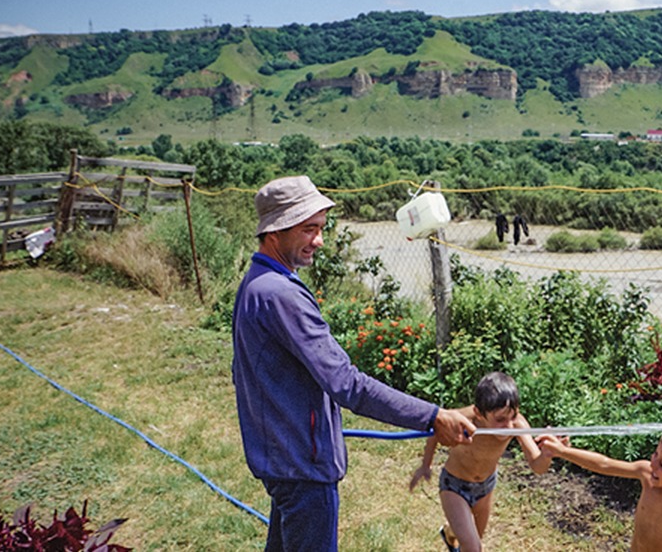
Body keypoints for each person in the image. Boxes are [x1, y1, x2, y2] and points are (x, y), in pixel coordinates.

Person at [232, 175, 476, 552]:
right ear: (274, 232)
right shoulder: (281, 295)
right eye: (309, 229)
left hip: (283, 460)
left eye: (321, 229)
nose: (319, 241)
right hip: (302, 468)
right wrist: (432, 416)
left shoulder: (259, 282)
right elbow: (348, 384)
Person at [408, 372, 554, 552]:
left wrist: (547, 455)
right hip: (454, 486)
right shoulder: (464, 419)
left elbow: (537, 466)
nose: (508, 426)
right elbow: (435, 433)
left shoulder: (517, 424)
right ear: (479, 413)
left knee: (469, 539)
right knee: (473, 547)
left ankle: (449, 533)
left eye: (513, 416)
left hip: (485, 488)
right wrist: (425, 465)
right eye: (500, 420)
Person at [537, 427, 662, 552]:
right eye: (655, 455)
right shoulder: (647, 475)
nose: (654, 464)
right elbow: (605, 464)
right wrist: (562, 451)